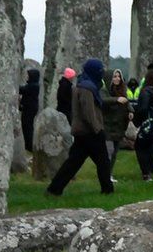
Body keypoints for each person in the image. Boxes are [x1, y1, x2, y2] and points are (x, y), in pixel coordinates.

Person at [45, 59, 113, 196]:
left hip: (81, 131)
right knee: (103, 162)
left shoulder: (82, 85)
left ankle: (54, 189)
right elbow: (88, 112)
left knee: (73, 163)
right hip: (90, 132)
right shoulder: (87, 88)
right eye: (100, 71)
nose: (101, 73)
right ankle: (107, 190)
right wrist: (97, 129)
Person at [102, 69, 131, 181]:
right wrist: (116, 100)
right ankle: (105, 175)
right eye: (115, 76)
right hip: (108, 125)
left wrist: (130, 111)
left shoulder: (122, 89)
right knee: (109, 151)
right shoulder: (104, 90)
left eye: (119, 76)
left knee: (114, 152)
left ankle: (109, 174)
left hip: (119, 125)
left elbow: (126, 102)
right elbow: (103, 100)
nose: (117, 79)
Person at [19, 68, 41, 151]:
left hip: (30, 109)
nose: (27, 77)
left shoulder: (34, 86)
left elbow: (23, 90)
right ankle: (28, 144)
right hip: (29, 108)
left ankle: (29, 145)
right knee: (27, 126)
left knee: (27, 127)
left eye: (29, 76)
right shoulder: (33, 84)